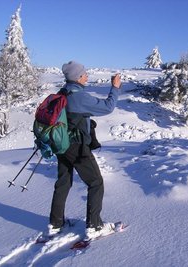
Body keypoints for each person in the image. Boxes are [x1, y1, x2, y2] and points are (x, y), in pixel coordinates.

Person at [47, 60, 121, 240]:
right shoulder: (79, 96)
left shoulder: (63, 92)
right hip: (77, 146)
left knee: (63, 181)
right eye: (85, 73)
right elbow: (107, 107)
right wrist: (115, 87)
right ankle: (94, 226)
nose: (87, 76)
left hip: (61, 144)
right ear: (78, 77)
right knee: (96, 182)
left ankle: (56, 224)